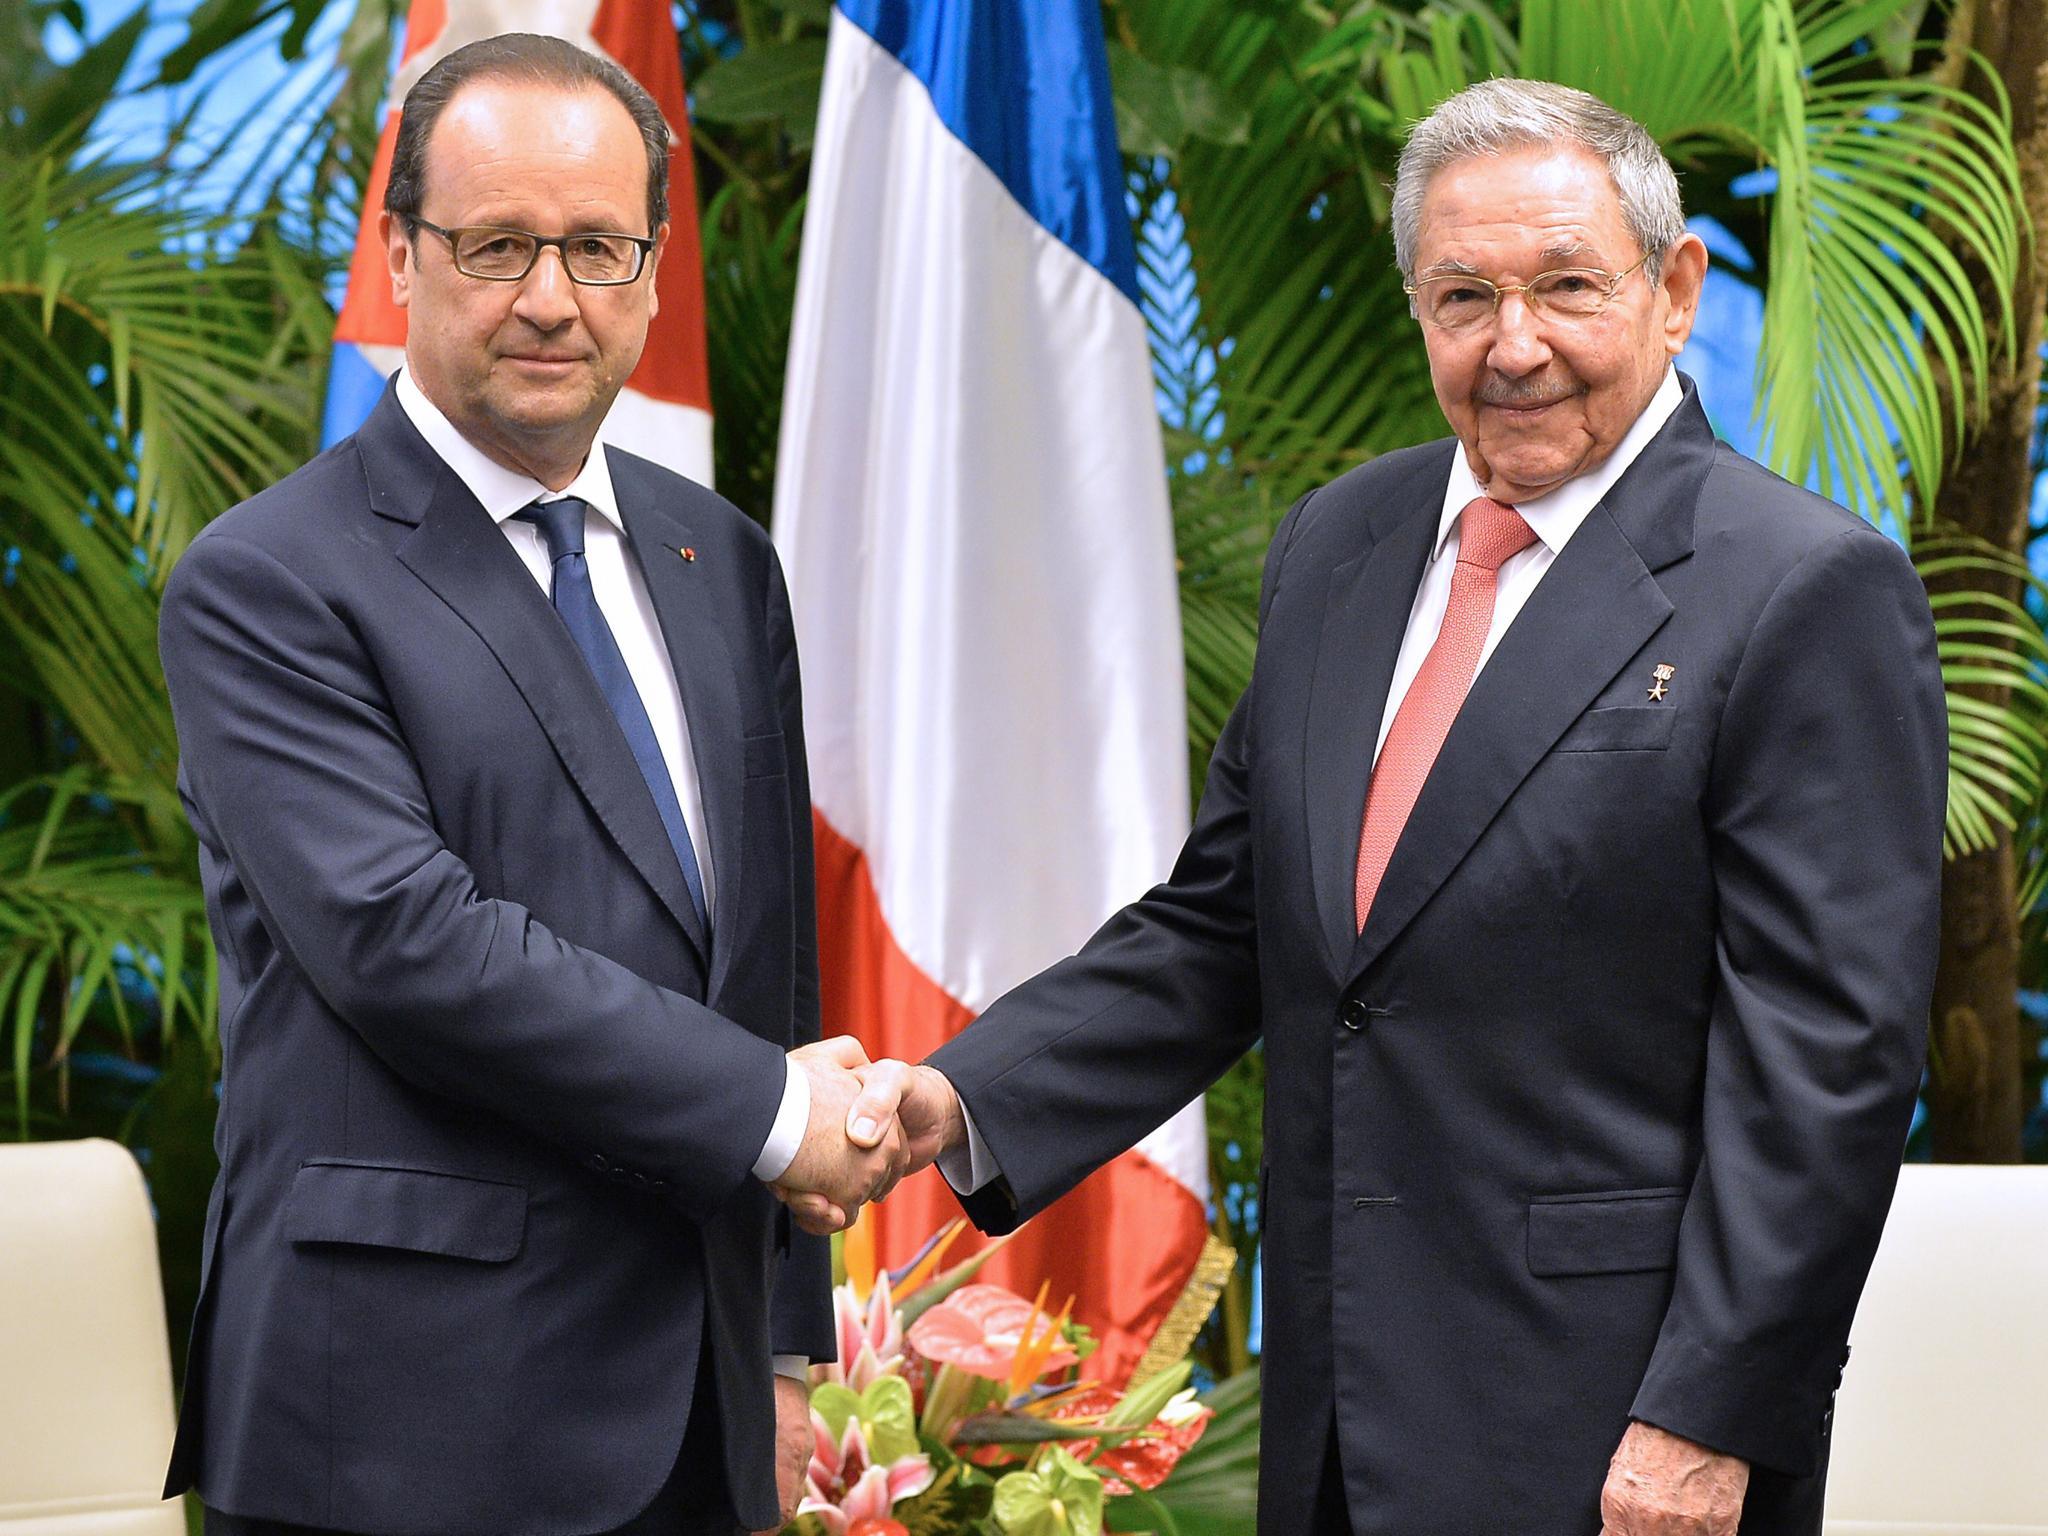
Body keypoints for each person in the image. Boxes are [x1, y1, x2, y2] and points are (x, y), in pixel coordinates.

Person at [808, 78, 1946, 1536]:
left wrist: (1707, 1416)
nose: (1513, 343)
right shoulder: (1341, 541)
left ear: (1674, 291)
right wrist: (960, 1095)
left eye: (1565, 287)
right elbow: (1225, 927)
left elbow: (1826, 1065)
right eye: (1463, 294)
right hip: (1339, 1415)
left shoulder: (1798, 589)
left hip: (1620, 1442)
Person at [156, 34, 903, 1536]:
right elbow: (407, 943)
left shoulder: (718, 560)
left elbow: (756, 961)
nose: (551, 298)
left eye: (597, 247)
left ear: (652, 264)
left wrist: (782, 1336)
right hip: (395, 1431)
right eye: (498, 244)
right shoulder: (268, 580)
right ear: (402, 253)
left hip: (692, 1426)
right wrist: (773, 1112)